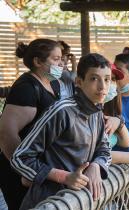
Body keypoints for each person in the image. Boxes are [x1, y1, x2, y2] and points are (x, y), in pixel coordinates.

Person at [10, 53, 112, 210]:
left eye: (107, 79)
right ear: (79, 82)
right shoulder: (61, 111)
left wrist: (96, 166)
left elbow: (104, 149)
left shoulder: (96, 112)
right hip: (48, 203)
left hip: (79, 201)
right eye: (93, 78)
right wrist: (64, 177)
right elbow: (20, 157)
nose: (102, 87)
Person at [0, 38, 64, 209]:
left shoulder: (54, 84)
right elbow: (6, 134)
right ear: (37, 61)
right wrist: (26, 170)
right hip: (21, 174)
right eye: (56, 59)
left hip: (43, 169)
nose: (61, 64)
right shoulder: (27, 88)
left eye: (61, 58)